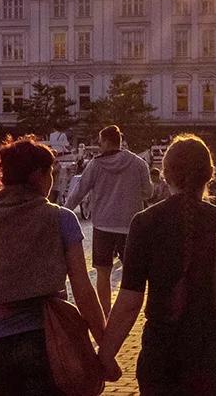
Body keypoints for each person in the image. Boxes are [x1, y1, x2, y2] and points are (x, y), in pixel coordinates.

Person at [98, 134, 216, 395]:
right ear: (210, 175)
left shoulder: (146, 223)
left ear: (165, 175)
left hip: (163, 356)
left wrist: (105, 355)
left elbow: (129, 302)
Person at [0, 136, 108, 396]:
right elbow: (83, 290)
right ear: (37, 176)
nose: (52, 179)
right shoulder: (60, 219)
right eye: (50, 173)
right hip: (48, 343)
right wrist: (104, 347)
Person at [64, 124, 152, 315]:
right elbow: (148, 192)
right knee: (129, 274)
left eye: (100, 141)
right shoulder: (138, 163)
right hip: (130, 225)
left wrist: (63, 212)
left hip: (103, 225)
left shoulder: (95, 165)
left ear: (105, 141)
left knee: (103, 273)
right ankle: (125, 313)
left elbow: (79, 191)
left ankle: (105, 313)